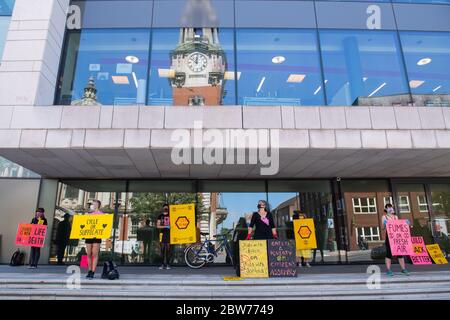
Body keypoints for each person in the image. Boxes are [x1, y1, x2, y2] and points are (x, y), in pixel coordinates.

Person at [382, 204, 410, 276]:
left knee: (399, 252)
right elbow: (383, 227)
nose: (390, 209)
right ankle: (388, 270)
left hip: (396, 237)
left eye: (391, 207)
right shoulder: (384, 217)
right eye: (388, 208)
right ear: (386, 209)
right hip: (389, 237)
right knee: (389, 253)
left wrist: (406, 224)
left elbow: (399, 226)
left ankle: (403, 269)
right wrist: (385, 224)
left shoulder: (395, 217)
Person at [85, 200, 103, 279]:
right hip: (89, 235)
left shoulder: (102, 215)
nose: (92, 205)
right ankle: (89, 270)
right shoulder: (89, 214)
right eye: (92, 204)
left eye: (94, 204)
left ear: (98, 205)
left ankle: (92, 271)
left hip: (97, 235)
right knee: (88, 254)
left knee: (94, 254)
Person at [156, 203, 171, 270]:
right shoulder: (160, 216)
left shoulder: (171, 215)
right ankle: (162, 264)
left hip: (169, 234)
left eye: (167, 208)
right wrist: (165, 226)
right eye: (164, 208)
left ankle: (167, 264)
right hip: (162, 233)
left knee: (168, 249)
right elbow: (158, 226)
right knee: (162, 249)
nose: (165, 209)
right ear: (163, 208)